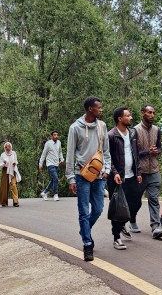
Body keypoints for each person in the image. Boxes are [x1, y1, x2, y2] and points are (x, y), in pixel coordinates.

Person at [66, 96, 112, 261]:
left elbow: (106, 150)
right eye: (99, 107)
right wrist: (71, 178)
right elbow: (70, 153)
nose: (101, 110)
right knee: (83, 211)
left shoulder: (102, 126)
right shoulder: (75, 128)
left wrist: (107, 169)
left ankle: (84, 230)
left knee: (98, 209)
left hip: (99, 175)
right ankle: (87, 243)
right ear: (90, 109)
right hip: (81, 175)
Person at [107, 107, 142, 250]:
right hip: (117, 177)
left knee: (136, 203)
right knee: (118, 207)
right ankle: (116, 238)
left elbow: (136, 154)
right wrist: (114, 172)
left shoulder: (133, 133)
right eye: (128, 116)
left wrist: (138, 172)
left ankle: (122, 225)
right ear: (120, 119)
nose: (131, 118)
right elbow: (107, 157)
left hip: (132, 175)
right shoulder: (111, 135)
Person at [134, 105, 162, 239]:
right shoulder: (135, 130)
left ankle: (155, 227)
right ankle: (131, 220)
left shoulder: (157, 130)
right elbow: (133, 153)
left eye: (153, 112)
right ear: (142, 113)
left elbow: (159, 148)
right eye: (149, 112)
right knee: (136, 201)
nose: (152, 115)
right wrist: (148, 151)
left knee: (153, 199)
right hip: (139, 172)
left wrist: (156, 151)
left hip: (154, 170)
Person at [39, 131, 64, 201]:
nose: (56, 136)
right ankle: (56, 194)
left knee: (53, 180)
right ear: (51, 136)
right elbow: (43, 154)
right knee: (55, 178)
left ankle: (45, 192)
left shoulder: (59, 142)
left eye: (57, 135)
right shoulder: (48, 144)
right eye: (54, 135)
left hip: (57, 164)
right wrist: (40, 164)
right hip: (50, 164)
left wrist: (62, 159)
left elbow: (60, 152)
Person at [0, 141, 21, 207]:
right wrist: (4, 163)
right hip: (5, 170)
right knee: (4, 186)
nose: (7, 148)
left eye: (9, 146)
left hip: (12, 170)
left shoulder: (13, 153)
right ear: (4, 148)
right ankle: (3, 202)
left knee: (14, 185)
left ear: (11, 147)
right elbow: (0, 165)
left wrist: (15, 163)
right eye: (6, 147)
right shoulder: (3, 154)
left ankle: (15, 202)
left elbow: (16, 161)